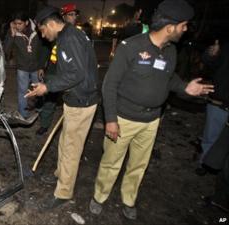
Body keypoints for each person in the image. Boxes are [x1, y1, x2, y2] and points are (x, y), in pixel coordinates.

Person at [89, 0, 214, 220]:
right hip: (123, 119)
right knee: (111, 163)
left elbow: (169, 79)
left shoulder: (171, 51)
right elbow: (109, 84)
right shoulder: (131, 47)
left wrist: (185, 87)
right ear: (170, 27)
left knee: (139, 165)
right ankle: (99, 196)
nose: (186, 30)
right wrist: (110, 119)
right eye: (184, 25)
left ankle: (129, 198)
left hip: (151, 121)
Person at [27, 6, 100, 209]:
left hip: (81, 101)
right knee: (65, 141)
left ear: (51, 24)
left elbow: (76, 74)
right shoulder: (69, 35)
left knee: (71, 148)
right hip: (76, 98)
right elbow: (71, 70)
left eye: (42, 30)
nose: (43, 35)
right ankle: (60, 175)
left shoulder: (69, 38)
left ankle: (64, 192)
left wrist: (47, 87)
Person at [36, 3, 80, 136]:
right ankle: (44, 125)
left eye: (75, 14)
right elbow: (46, 49)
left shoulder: (75, 35)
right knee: (49, 101)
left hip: (68, 76)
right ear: (63, 16)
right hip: (53, 71)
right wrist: (41, 66)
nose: (73, 17)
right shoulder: (54, 34)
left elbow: (78, 69)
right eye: (70, 14)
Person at [196, 39, 229, 175]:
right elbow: (209, 62)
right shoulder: (227, 45)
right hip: (219, 101)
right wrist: (211, 54)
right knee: (211, 136)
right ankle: (204, 163)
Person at [4, 11, 44, 120]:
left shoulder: (37, 30)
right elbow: (6, 50)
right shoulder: (13, 32)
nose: (17, 26)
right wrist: (12, 34)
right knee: (22, 91)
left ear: (26, 22)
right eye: (15, 24)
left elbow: (43, 49)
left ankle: (40, 110)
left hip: (36, 67)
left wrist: (41, 66)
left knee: (39, 90)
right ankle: (23, 114)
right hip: (22, 67)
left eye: (20, 24)